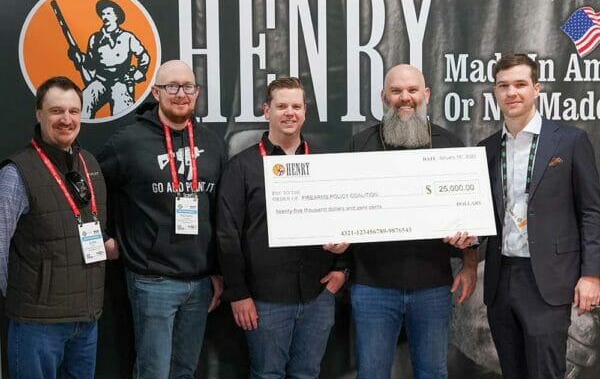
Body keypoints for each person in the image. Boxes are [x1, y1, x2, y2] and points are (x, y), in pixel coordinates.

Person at [98, 60, 226, 379]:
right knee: (153, 372)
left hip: (199, 282)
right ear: (156, 92)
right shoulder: (127, 142)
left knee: (184, 370)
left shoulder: (213, 144)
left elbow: (223, 212)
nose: (180, 94)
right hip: (151, 279)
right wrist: (105, 234)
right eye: (171, 87)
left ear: (196, 92)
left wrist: (220, 271)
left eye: (188, 87)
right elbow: (94, 190)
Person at [348, 64, 478, 379]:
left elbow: (470, 218)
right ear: (383, 97)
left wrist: (471, 265)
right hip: (372, 286)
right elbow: (345, 212)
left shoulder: (450, 145)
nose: (405, 98)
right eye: (396, 91)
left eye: (412, 90)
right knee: (372, 373)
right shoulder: (359, 145)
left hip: (433, 286)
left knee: (432, 372)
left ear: (426, 95)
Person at [475, 53, 600, 379]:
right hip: (501, 280)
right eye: (503, 86)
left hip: (549, 279)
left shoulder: (571, 141)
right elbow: (481, 214)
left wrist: (592, 275)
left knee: (546, 372)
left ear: (536, 88)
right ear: (495, 92)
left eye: (520, 84)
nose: (511, 92)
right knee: (512, 371)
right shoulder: (486, 149)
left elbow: (591, 211)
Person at [216, 77, 349, 378]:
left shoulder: (324, 164)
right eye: (281, 106)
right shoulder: (242, 167)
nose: (289, 113)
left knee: (307, 373)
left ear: (305, 112)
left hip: (317, 296)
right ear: (267, 110)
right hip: (264, 300)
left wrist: (342, 268)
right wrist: (238, 293)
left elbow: (343, 219)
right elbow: (227, 235)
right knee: (267, 374)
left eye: (296, 106)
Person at [0, 76, 116, 378]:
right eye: (56, 111)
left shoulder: (88, 162)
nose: (66, 119)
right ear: (39, 114)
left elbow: (79, 225)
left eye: (73, 111)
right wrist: (19, 299)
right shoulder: (17, 172)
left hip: (86, 318)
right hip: (38, 324)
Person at [69, 0, 150, 119]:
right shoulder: (95, 39)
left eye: (108, 14)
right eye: (103, 14)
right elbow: (90, 66)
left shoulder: (127, 37)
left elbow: (144, 56)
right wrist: (79, 59)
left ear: (116, 16)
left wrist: (138, 73)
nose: (105, 17)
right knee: (81, 106)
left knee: (125, 114)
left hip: (120, 82)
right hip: (99, 81)